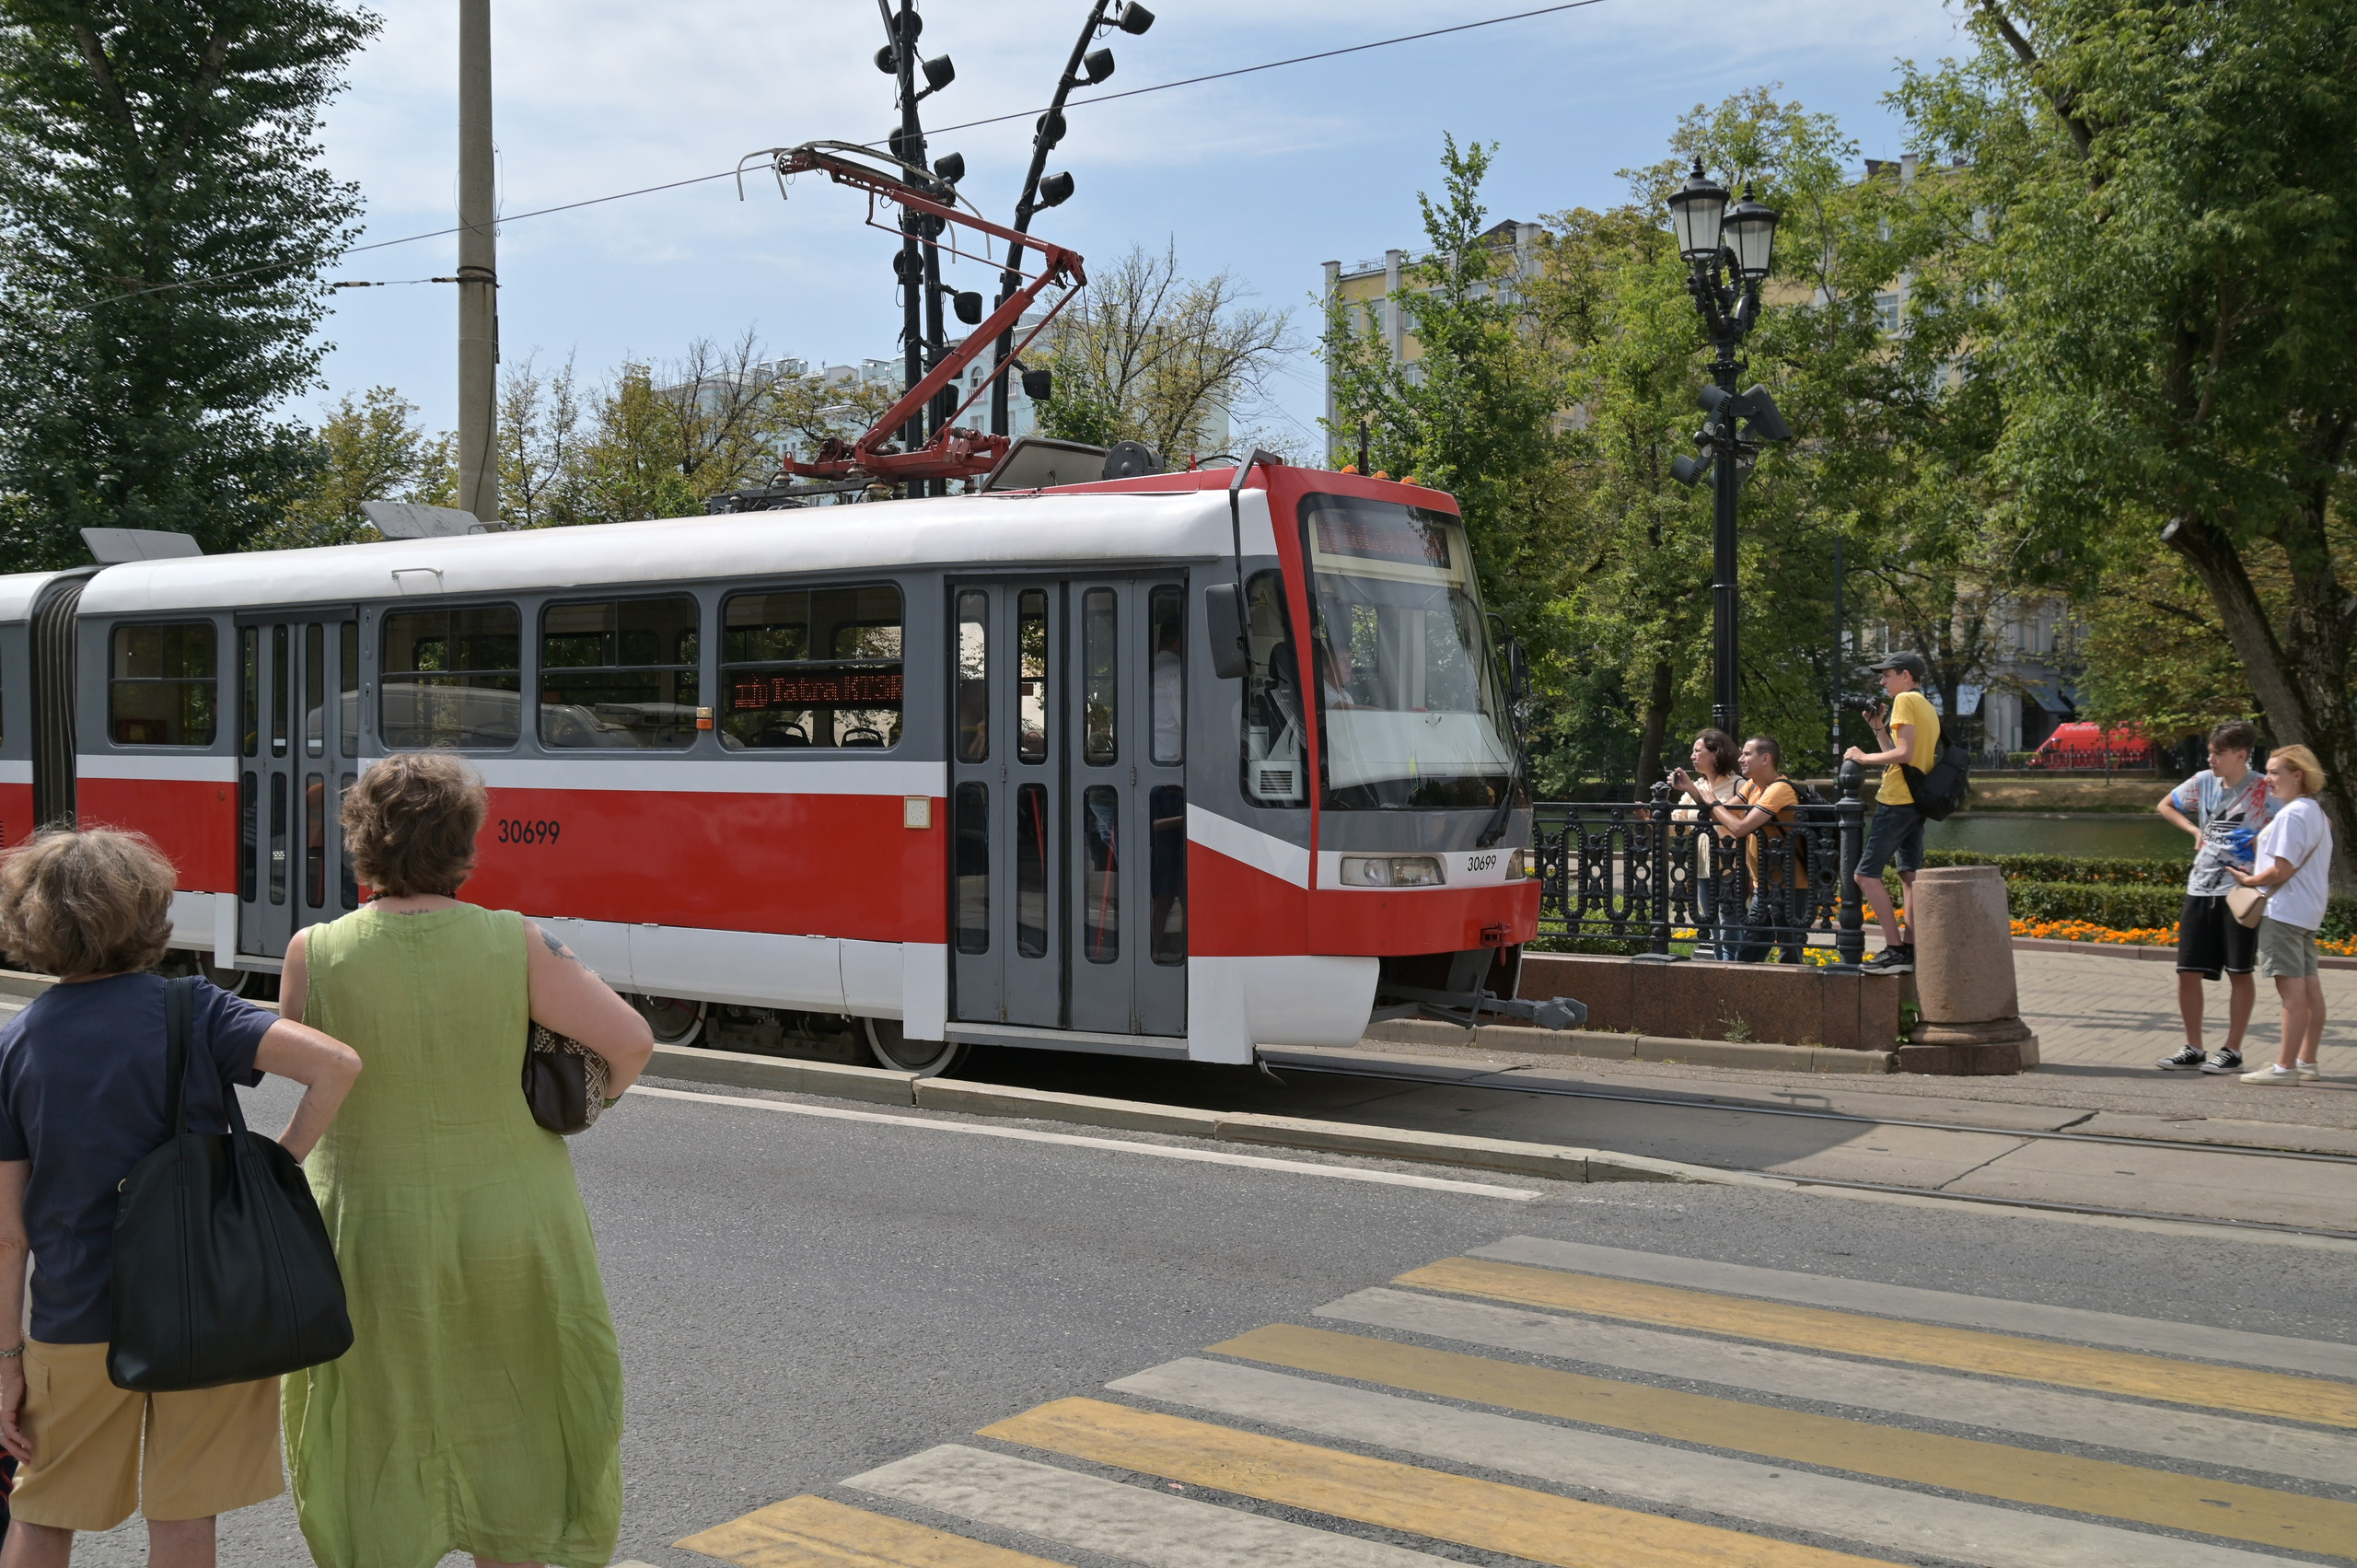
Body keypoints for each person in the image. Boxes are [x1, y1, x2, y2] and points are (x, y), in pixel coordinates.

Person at [279, 752, 654, 1568]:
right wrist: (586, 1102)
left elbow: (304, 1063)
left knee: (376, 1412)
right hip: (512, 1216)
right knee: (514, 1412)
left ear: (361, 842)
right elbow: (631, 1042)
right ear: (464, 844)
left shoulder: (316, 950)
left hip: (369, 1224)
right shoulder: (516, 941)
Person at [0, 829, 361, 1568]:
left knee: (42, 1515)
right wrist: (278, 1163)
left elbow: (8, 1234)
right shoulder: (193, 1008)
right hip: (205, 1306)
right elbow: (336, 1064)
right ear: (146, 911)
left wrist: (7, 1358)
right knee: (186, 1519)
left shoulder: (19, 1042)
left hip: (76, 1318)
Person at [2154, 719, 2276, 1073]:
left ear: (2241, 755)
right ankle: (2194, 1047)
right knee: (2187, 972)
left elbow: (2298, 823)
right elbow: (2165, 805)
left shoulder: (2264, 788)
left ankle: (2232, 1051)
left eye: (2219, 753)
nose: (2212, 759)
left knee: (2240, 971)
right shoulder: (2203, 781)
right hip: (2199, 886)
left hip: (2240, 892)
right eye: (2210, 752)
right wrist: (2195, 830)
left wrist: (2263, 846)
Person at [2229, 744, 2334, 1086]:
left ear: (2297, 775)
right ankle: (2307, 1061)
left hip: (2284, 912)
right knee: (2310, 989)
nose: (2267, 778)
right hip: (2306, 911)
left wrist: (2248, 880)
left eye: (2274, 772)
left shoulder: (2291, 815)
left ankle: (2285, 1068)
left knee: (2291, 992)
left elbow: (2281, 870)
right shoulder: (2315, 811)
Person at [1845, 652, 1941, 973]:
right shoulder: (1925, 705)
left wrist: (1861, 757)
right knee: (1909, 876)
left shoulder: (1904, 700)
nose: (1882, 682)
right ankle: (1910, 949)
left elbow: (1905, 753)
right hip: (1916, 800)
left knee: (1864, 875)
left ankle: (1894, 948)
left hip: (1897, 799)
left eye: (1887, 675)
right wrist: (1878, 729)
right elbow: (1900, 756)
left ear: (1906, 676)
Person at [1676, 735, 1809, 964]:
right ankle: (1744, 987)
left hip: (1789, 885)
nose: (1740, 759)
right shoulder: (1753, 786)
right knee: (1747, 953)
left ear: (1765, 759)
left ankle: (1792, 988)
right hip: (1764, 885)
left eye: (1747, 754)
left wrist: (1714, 802)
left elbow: (1739, 828)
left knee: (1789, 953)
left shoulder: (1779, 789)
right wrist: (1692, 789)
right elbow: (1720, 813)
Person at [1669, 729, 1743, 958]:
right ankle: (1720, 973)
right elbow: (1677, 824)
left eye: (1698, 751)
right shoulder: (1697, 785)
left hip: (1730, 867)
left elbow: (1731, 821)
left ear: (1716, 754)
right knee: (1714, 932)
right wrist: (1650, 818)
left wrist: (1691, 790)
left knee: (1730, 932)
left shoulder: (1738, 785)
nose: (1692, 756)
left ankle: (1733, 973)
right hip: (1703, 869)